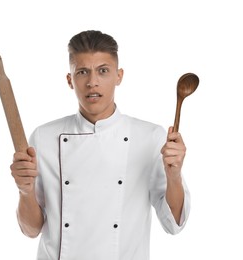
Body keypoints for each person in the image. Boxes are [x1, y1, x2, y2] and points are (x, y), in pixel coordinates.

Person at [10, 30, 191, 260]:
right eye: (82, 72)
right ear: (70, 80)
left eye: (103, 71)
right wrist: (25, 190)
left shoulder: (150, 137)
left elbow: (174, 223)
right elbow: (31, 229)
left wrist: (174, 176)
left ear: (119, 76)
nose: (92, 82)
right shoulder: (43, 138)